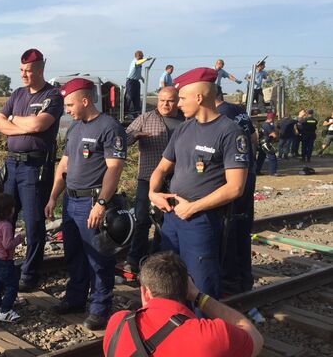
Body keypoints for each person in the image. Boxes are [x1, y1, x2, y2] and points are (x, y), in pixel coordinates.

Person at [148, 68, 249, 300]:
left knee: (201, 282)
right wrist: (154, 193)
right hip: (172, 213)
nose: (178, 104)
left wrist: (193, 207)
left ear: (199, 97)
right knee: (168, 277)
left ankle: (202, 328)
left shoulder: (230, 132)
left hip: (202, 219)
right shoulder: (183, 128)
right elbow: (162, 167)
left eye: (182, 98)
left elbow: (235, 187)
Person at [44, 78, 127, 330]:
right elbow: (64, 165)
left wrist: (102, 203)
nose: (67, 109)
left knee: (99, 259)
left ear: (85, 100)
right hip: (71, 200)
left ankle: (100, 307)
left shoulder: (109, 128)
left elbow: (115, 169)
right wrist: (53, 196)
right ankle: (75, 298)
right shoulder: (75, 128)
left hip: (93, 202)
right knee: (74, 254)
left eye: (70, 104)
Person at [0, 48, 64, 292]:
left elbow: (39, 124)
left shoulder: (53, 96)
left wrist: (13, 121)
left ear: (41, 69)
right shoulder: (17, 94)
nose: (23, 75)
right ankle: (5, 265)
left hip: (34, 167)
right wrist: (20, 124)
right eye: (21, 70)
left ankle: (30, 274)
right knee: (6, 219)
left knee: (33, 223)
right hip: (11, 165)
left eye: (28, 70)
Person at [103, 252, 263, 357]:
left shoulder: (118, 323)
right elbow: (255, 338)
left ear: (145, 292)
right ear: (186, 290)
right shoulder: (210, 335)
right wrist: (198, 296)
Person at [124, 86, 184, 273]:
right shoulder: (145, 118)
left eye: (170, 101)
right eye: (162, 100)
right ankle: (134, 260)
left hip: (177, 179)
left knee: (168, 221)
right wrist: (134, 136)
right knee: (142, 219)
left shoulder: (186, 120)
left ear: (177, 101)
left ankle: (158, 259)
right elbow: (122, 139)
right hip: (148, 177)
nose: (165, 104)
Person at [215, 90, 258, 294]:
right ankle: (244, 278)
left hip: (231, 178)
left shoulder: (222, 117)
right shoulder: (238, 110)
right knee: (242, 227)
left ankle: (230, 281)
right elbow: (254, 137)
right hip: (247, 172)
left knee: (228, 229)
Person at [0, 192, 25, 322]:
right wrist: (20, 238)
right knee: (12, 286)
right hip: (4, 261)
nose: (14, 209)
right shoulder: (6, 226)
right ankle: (5, 311)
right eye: (12, 207)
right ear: (6, 210)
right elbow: (8, 245)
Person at [125, 50, 152, 115]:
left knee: (137, 98)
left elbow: (138, 74)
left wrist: (142, 79)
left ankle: (136, 113)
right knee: (129, 97)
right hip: (131, 82)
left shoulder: (140, 65)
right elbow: (137, 62)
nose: (143, 58)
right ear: (138, 56)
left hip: (136, 82)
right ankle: (125, 112)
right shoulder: (135, 61)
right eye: (142, 56)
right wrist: (146, 59)